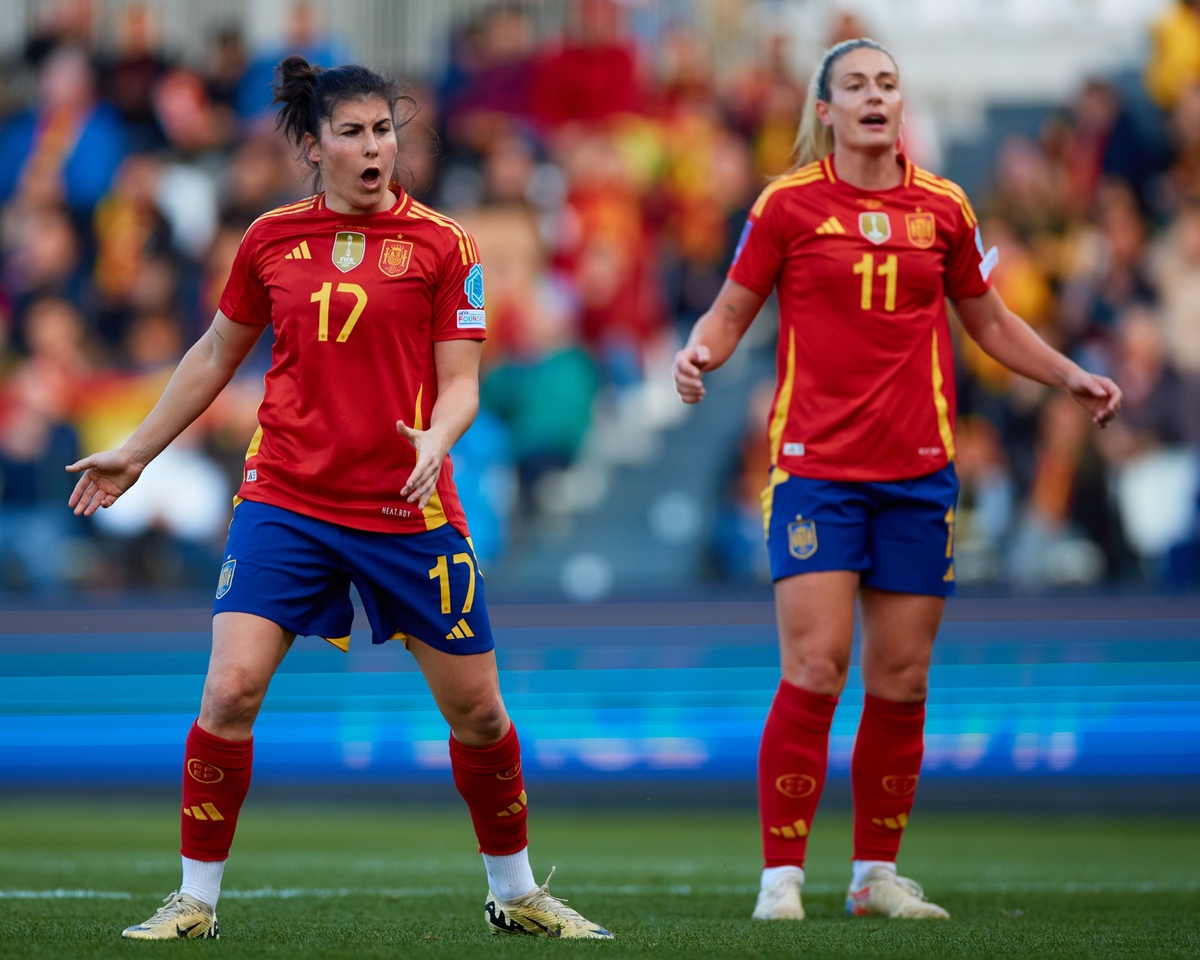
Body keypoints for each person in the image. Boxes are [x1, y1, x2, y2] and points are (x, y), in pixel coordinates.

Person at [67, 55, 611, 942]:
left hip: (408, 505)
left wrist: (440, 438)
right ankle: (194, 902)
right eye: (352, 132)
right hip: (287, 496)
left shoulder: (447, 245)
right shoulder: (269, 240)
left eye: (383, 130)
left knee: (478, 713)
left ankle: (512, 894)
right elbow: (214, 354)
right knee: (230, 691)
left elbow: (463, 383)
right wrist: (135, 452)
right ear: (312, 147)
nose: (373, 148)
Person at [672, 38, 1121, 922]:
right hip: (815, 472)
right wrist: (699, 354)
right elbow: (731, 310)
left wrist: (1068, 372)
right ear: (826, 110)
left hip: (919, 475)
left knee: (903, 679)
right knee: (814, 665)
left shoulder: (946, 208)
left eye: (888, 84)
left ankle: (874, 876)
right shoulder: (788, 206)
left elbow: (988, 320)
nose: (876, 97)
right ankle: (781, 881)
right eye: (856, 86)